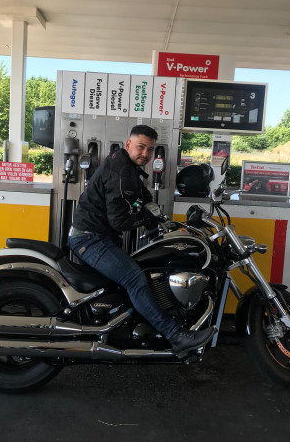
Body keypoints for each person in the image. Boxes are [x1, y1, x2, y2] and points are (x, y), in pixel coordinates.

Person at [68, 125, 216, 358]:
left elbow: (142, 198)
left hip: (98, 235)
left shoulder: (127, 167)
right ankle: (176, 336)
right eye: (141, 147)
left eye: (150, 149)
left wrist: (162, 221)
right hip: (90, 238)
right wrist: (147, 219)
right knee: (134, 278)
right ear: (128, 144)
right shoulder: (121, 172)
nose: (145, 154)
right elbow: (119, 221)